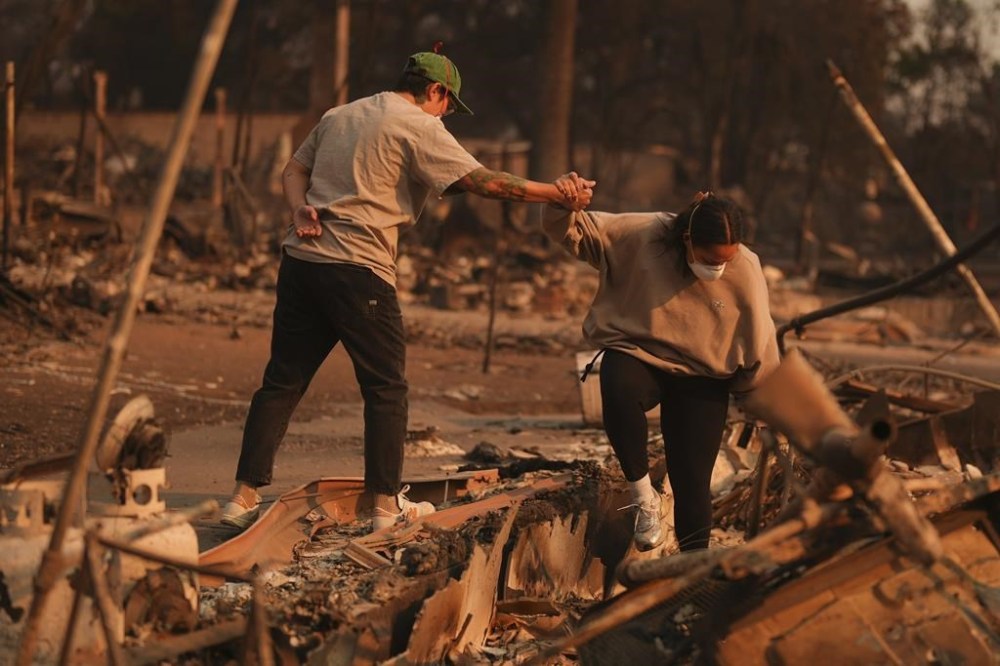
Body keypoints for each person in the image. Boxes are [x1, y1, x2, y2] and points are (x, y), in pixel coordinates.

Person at [220, 48, 591, 532]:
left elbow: (294, 170)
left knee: (283, 381)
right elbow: (483, 181)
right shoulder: (418, 125)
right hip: (359, 269)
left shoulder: (342, 114)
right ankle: (382, 507)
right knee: (386, 389)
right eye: (448, 107)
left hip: (302, 261)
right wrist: (556, 192)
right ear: (435, 92)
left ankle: (242, 497)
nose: (446, 117)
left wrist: (299, 210)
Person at [543, 180, 779, 551]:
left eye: (725, 261)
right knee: (618, 384)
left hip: (704, 375)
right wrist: (560, 201)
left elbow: (760, 342)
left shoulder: (746, 269)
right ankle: (643, 499)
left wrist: (764, 404)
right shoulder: (644, 235)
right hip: (641, 355)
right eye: (710, 259)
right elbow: (577, 230)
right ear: (687, 239)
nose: (718, 268)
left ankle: (689, 575)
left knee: (692, 483)